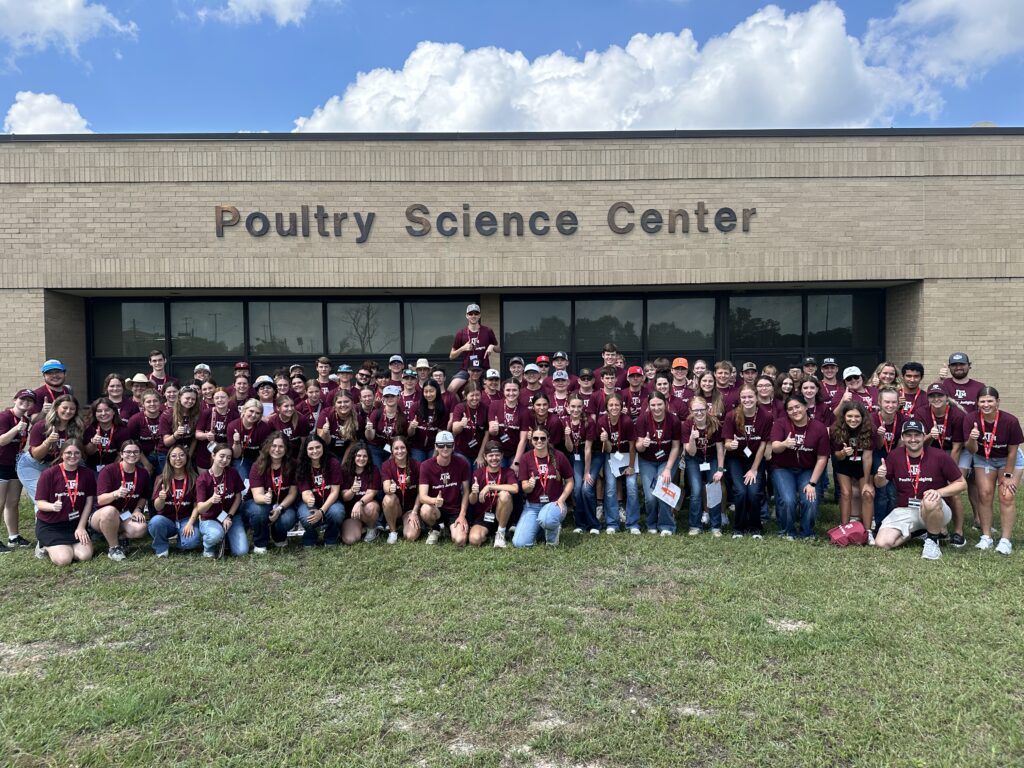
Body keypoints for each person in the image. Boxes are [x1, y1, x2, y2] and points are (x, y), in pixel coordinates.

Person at [874, 420, 967, 560]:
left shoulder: (939, 455)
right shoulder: (894, 456)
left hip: (935, 508)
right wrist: (879, 476)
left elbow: (961, 483)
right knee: (882, 543)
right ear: (902, 438)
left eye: (917, 435)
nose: (913, 439)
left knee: (929, 500)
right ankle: (919, 532)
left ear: (924, 436)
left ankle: (932, 541)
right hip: (906, 510)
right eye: (908, 435)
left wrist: (939, 492)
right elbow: (880, 484)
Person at [963, 386, 1022, 554]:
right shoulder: (971, 419)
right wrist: (972, 438)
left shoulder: (1010, 421)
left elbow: (1012, 451)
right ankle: (986, 536)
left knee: (1007, 495)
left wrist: (1008, 476)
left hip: (1009, 460)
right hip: (984, 458)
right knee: (985, 494)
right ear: (977, 403)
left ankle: (1005, 540)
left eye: (990, 401)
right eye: (982, 401)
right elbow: (971, 449)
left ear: (998, 402)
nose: (986, 404)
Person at [769, 396, 830, 540]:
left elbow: (822, 458)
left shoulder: (819, 427)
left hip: (807, 469)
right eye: (790, 409)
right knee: (788, 499)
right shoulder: (781, 423)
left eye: (797, 407)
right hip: (782, 468)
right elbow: (775, 447)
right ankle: (787, 531)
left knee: (810, 498)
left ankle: (807, 532)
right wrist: (784, 444)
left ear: (805, 407)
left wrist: (812, 483)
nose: (794, 411)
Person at [33, 441, 95, 566]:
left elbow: (89, 503)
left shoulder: (87, 474)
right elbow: (40, 504)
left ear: (81, 455)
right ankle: (43, 546)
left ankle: (67, 545)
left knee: (85, 556)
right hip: (51, 526)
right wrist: (52, 506)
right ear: (62, 454)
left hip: (74, 524)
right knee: (64, 560)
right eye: (68, 453)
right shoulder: (49, 474)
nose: (73, 456)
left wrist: (81, 527)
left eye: (76, 453)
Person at [920, 382, 967, 546]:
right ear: (928, 398)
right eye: (932, 396)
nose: (936, 398)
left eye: (940, 395)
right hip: (929, 452)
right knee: (931, 488)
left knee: (953, 492)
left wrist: (950, 475)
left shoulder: (957, 415)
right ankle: (941, 529)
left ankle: (959, 531)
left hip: (950, 452)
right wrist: (929, 437)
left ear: (947, 398)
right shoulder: (922, 412)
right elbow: (918, 444)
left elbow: (957, 447)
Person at [722, 385, 771, 539]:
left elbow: (763, 444)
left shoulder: (766, 416)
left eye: (750, 397)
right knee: (741, 492)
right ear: (740, 399)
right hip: (736, 458)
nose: (747, 400)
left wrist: (754, 469)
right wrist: (731, 445)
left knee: (754, 491)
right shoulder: (731, 416)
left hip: (755, 458)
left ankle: (756, 527)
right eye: (744, 397)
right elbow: (727, 443)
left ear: (756, 398)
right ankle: (739, 527)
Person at [20, 393, 85, 508]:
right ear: (56, 408)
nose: (68, 411)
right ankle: (42, 525)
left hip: (56, 466)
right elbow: (36, 455)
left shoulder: (78, 428)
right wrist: (48, 441)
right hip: (34, 465)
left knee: (59, 498)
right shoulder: (41, 426)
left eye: (72, 409)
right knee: (42, 499)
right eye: (65, 408)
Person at [513, 426, 574, 547]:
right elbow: (524, 487)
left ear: (548, 439)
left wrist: (562, 499)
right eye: (536, 438)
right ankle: (542, 528)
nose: (539, 441)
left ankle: (552, 538)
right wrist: (529, 486)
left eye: (542, 438)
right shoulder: (525, 458)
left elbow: (570, 481)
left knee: (547, 518)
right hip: (533, 506)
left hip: (554, 503)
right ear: (531, 440)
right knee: (520, 543)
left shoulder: (559, 456)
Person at [91, 439, 151, 561]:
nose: (132, 455)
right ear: (121, 454)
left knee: (141, 528)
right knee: (110, 511)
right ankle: (114, 548)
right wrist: (115, 494)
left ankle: (120, 537)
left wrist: (138, 510)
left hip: (125, 514)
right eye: (128, 452)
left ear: (140, 454)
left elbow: (144, 496)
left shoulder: (143, 473)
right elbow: (101, 500)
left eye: (136, 452)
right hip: (102, 515)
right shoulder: (108, 470)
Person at [635, 392, 682, 536]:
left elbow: (676, 447)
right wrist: (643, 444)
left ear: (666, 404)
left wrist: (668, 468)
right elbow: (638, 447)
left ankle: (667, 525)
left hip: (667, 460)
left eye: (659, 404)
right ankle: (651, 523)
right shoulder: (643, 419)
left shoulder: (673, 420)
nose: (656, 408)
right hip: (647, 460)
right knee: (650, 496)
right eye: (653, 405)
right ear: (648, 406)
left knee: (662, 491)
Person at [244, 432, 298, 554]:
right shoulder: (258, 465)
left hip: (282, 504)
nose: (277, 450)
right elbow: (257, 497)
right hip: (257, 503)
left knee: (288, 518)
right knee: (260, 511)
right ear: (268, 446)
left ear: (286, 449)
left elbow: (292, 493)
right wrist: (266, 498)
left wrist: (279, 509)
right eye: (273, 446)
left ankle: (278, 535)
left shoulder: (293, 464)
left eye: (281, 446)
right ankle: (260, 542)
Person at [417, 431, 471, 545]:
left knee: (460, 540)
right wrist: (434, 501)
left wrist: (462, 515)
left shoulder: (462, 463)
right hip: (436, 509)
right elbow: (422, 496)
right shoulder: (425, 466)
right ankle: (436, 529)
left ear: (453, 446)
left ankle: (448, 528)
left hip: (454, 510)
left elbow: (466, 491)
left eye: (449, 445)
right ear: (436, 446)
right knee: (425, 510)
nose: (445, 448)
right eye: (441, 445)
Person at [682, 396, 725, 536]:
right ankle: (695, 526)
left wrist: (720, 469)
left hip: (711, 458)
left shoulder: (715, 424)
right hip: (694, 459)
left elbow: (720, 449)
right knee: (695, 490)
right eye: (696, 410)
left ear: (707, 409)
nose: (699, 413)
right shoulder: (687, 425)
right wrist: (691, 438)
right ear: (690, 410)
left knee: (714, 487)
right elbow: (692, 452)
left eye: (702, 409)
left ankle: (716, 526)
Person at [830, 401, 876, 535]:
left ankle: (867, 532)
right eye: (850, 416)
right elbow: (837, 456)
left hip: (863, 464)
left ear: (863, 417)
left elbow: (868, 457)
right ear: (844, 416)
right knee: (845, 493)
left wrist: (867, 482)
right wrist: (843, 453)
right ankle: (844, 528)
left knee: (867, 494)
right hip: (844, 464)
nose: (853, 419)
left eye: (857, 416)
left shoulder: (869, 429)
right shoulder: (835, 429)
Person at [193, 444, 245, 557]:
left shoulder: (232, 472)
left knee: (241, 551)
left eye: (229, 457)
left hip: (230, 517)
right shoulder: (202, 479)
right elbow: (201, 509)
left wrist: (229, 516)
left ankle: (225, 537)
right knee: (215, 535)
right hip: (210, 518)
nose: (225, 460)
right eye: (221, 456)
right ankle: (208, 546)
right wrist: (211, 500)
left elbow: (238, 496)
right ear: (213, 455)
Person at [149, 444, 201, 556]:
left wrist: (190, 523)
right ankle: (161, 547)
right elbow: (157, 507)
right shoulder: (161, 479)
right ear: (168, 459)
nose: (178, 459)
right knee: (155, 522)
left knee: (191, 543)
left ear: (187, 458)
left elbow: (197, 505)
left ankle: (180, 542)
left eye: (182, 455)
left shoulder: (194, 478)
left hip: (186, 520)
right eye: (174, 456)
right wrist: (161, 499)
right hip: (166, 520)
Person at [597, 394, 638, 533]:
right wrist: (606, 440)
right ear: (606, 407)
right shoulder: (602, 421)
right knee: (610, 488)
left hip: (628, 456)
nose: (614, 408)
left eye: (617, 405)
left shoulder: (626, 421)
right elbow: (608, 449)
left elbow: (633, 446)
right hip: (611, 457)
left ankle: (632, 524)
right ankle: (612, 523)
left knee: (632, 487)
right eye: (611, 405)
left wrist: (631, 466)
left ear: (622, 406)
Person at [0, 389, 36, 550]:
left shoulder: (26, 420)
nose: (26, 403)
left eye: (30, 401)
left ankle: (13, 537)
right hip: (1, 463)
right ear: (15, 399)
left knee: (13, 502)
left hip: (14, 464)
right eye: (23, 399)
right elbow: (2, 441)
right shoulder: (4, 416)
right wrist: (16, 428)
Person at [294, 435, 344, 547]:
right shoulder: (301, 465)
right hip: (310, 503)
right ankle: (310, 536)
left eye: (318, 447)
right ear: (305, 451)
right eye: (310, 449)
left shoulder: (333, 463)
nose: (315, 451)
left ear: (323, 447)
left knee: (337, 512)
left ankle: (331, 537)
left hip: (330, 501)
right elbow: (305, 492)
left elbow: (335, 492)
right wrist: (309, 499)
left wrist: (321, 511)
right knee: (307, 516)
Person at [468, 441, 517, 547]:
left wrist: (490, 487)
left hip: (502, 516)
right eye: (491, 455)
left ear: (502, 456)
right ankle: (491, 536)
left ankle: (501, 532)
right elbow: (472, 501)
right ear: (485, 457)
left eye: (497, 455)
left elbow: (515, 488)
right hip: (483, 517)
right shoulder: (478, 473)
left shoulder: (508, 472)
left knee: (504, 495)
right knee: (474, 540)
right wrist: (474, 492)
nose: (494, 458)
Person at [564, 394, 600, 534]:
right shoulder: (565, 422)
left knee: (586, 487)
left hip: (593, 456)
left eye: (579, 406)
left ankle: (593, 524)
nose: (576, 409)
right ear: (567, 407)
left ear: (583, 407)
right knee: (577, 488)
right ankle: (580, 524)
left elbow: (588, 449)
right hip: (576, 456)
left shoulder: (589, 422)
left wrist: (586, 472)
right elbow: (570, 449)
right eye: (573, 406)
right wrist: (567, 435)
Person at [449, 303, 499, 394]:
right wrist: (462, 348)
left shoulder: (487, 331)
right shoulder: (461, 333)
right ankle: (456, 407)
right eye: (470, 314)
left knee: (493, 389)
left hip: (484, 368)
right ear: (466, 316)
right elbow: (451, 356)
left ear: (479, 315)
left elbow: (499, 349)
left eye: (476, 313)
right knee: (451, 389)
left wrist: (492, 346)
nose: (473, 316)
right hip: (466, 369)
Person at [339, 442, 382, 545]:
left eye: (364, 456)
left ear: (368, 457)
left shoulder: (373, 469)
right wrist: (352, 490)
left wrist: (359, 503)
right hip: (351, 512)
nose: (361, 459)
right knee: (350, 539)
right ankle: (361, 527)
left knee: (371, 507)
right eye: (358, 455)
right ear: (353, 456)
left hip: (366, 506)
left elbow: (371, 493)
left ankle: (372, 529)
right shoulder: (345, 470)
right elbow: (345, 497)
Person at [380, 435, 421, 544]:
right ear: (392, 451)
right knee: (388, 498)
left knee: (410, 536)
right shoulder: (386, 465)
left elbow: (420, 493)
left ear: (407, 449)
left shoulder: (417, 465)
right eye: (396, 448)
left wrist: (414, 512)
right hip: (396, 507)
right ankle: (393, 531)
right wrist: (390, 489)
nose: (400, 451)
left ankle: (410, 522)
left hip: (410, 509)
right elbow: (386, 487)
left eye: (402, 448)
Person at [487, 379, 530, 472]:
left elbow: (523, 439)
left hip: (514, 452)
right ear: (503, 391)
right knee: (499, 479)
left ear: (519, 391)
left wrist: (516, 462)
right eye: (508, 390)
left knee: (514, 477)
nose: (511, 393)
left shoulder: (524, 411)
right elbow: (491, 432)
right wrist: (493, 429)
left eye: (514, 390)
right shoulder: (494, 405)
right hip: (497, 451)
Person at [227, 399, 272, 483]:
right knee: (244, 481)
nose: (253, 415)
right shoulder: (233, 426)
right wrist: (236, 442)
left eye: (258, 413)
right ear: (244, 410)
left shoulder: (264, 428)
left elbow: (265, 451)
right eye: (251, 411)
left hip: (258, 458)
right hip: (241, 459)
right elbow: (236, 456)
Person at [194, 387, 238, 472]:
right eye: (217, 398)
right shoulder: (206, 413)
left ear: (228, 399)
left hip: (224, 457)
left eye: (223, 397)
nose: (220, 400)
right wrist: (206, 435)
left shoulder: (234, 415)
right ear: (213, 400)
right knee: (205, 481)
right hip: (205, 454)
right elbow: (197, 433)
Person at [364, 385, 407, 469]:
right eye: (387, 396)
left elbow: (403, 437)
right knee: (378, 472)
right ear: (383, 398)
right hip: (375, 448)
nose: (389, 398)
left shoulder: (402, 416)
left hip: (393, 449)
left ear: (398, 397)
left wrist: (393, 453)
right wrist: (368, 429)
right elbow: (370, 437)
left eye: (392, 396)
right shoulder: (376, 413)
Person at [82, 398, 129, 472]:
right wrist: (93, 443)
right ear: (95, 414)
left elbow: (121, 455)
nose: (103, 413)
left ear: (113, 412)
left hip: (114, 468)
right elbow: (88, 452)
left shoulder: (122, 431)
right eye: (99, 411)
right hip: (92, 468)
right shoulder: (90, 429)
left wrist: (110, 471)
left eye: (107, 410)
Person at [408, 380, 446, 463]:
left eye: (431, 391)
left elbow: (440, 433)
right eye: (426, 391)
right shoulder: (415, 406)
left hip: (433, 447)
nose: (428, 394)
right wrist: (412, 426)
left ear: (437, 391)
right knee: (417, 468)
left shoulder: (442, 409)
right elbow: (410, 434)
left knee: (431, 467)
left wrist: (435, 453)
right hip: (416, 447)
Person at [317, 389, 361, 461]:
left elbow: (352, 444)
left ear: (352, 403)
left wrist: (344, 463)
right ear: (334, 404)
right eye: (339, 402)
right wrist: (325, 432)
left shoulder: (357, 418)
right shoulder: (326, 414)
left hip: (347, 451)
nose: (343, 405)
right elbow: (321, 441)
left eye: (346, 401)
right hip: (328, 449)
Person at [451, 382, 488, 468]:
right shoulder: (460, 407)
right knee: (465, 477)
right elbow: (454, 430)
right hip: (461, 451)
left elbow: (487, 434)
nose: (475, 398)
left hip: (479, 451)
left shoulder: (485, 408)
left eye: (477, 395)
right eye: (472, 395)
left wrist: (480, 455)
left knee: (477, 476)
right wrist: (461, 424)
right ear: (466, 395)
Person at [160, 385, 200, 462]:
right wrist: (176, 434)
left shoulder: (196, 414)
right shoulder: (167, 415)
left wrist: (189, 456)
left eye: (193, 399)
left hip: (186, 452)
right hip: (167, 453)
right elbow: (166, 442)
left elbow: (195, 439)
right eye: (187, 398)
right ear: (179, 398)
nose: (190, 401)